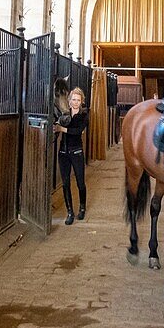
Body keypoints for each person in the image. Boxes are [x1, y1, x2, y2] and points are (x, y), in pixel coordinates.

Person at [53, 87, 89, 225]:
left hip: (77, 152)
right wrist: (55, 128)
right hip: (63, 152)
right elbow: (57, 126)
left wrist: (62, 129)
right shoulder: (64, 114)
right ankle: (70, 212)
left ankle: (82, 207)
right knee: (66, 183)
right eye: (73, 99)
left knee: (80, 182)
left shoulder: (83, 115)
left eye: (78, 100)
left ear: (81, 102)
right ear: (69, 101)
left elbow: (78, 131)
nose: (75, 102)